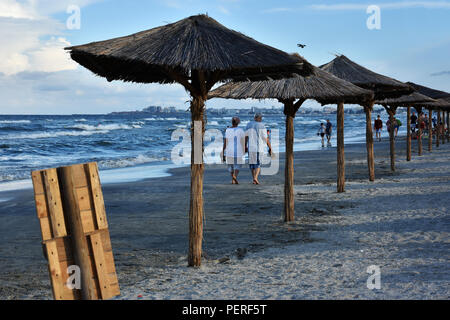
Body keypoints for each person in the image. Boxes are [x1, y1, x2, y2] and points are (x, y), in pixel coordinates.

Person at [245, 113, 271, 185]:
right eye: (261, 118)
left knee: (252, 164)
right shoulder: (262, 125)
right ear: (259, 118)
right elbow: (265, 138)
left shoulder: (248, 124)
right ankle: (255, 178)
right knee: (258, 164)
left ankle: (254, 178)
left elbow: (246, 137)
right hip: (259, 148)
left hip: (251, 147)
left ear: (254, 118)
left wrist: (244, 145)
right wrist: (270, 147)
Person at [222, 117, 245, 184]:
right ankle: (234, 177)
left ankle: (233, 178)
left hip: (229, 150)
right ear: (238, 123)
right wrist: (244, 149)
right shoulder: (240, 130)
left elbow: (225, 141)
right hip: (238, 150)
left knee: (230, 166)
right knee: (237, 165)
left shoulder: (227, 130)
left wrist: (223, 150)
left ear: (232, 122)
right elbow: (242, 141)